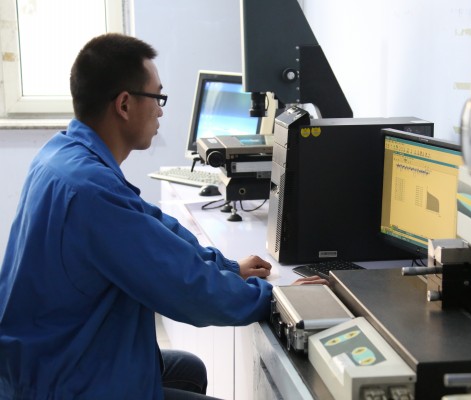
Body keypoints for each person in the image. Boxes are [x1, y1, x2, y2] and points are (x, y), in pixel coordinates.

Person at [0, 33, 327, 399]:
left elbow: (151, 226)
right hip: (61, 383)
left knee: (188, 370)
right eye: (157, 97)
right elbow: (187, 289)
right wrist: (275, 300)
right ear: (125, 104)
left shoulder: (63, 155)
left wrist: (226, 266)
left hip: (47, 357)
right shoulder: (90, 191)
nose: (160, 110)